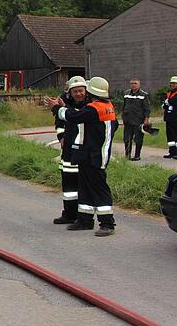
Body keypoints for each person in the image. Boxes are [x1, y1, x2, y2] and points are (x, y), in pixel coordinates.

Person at [49, 76, 117, 236]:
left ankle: (108, 223)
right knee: (84, 188)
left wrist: (56, 108)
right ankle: (85, 220)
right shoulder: (106, 106)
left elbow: (72, 117)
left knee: (99, 190)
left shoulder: (94, 109)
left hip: (95, 157)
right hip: (90, 155)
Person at [51, 75, 86, 225]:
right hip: (68, 152)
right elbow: (59, 123)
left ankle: (82, 216)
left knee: (83, 185)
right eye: (75, 91)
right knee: (68, 187)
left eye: (81, 91)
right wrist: (61, 137)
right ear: (70, 92)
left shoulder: (90, 104)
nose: (78, 94)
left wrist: (63, 107)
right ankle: (69, 214)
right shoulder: (63, 103)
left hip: (84, 151)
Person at [121, 78, 151, 160]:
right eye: (132, 83)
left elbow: (147, 108)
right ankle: (127, 155)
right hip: (128, 120)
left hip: (138, 120)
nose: (133, 85)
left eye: (135, 83)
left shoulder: (144, 95)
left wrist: (146, 119)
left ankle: (137, 155)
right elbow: (124, 105)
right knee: (127, 139)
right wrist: (123, 115)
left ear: (139, 84)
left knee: (138, 139)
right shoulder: (126, 93)